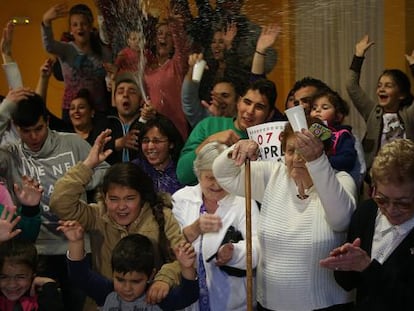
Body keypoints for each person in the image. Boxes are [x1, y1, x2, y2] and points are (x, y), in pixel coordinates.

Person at [212, 118, 357, 310]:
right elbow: (224, 174)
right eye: (290, 151)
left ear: (322, 152)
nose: (297, 158)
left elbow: (341, 220)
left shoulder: (342, 181)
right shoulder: (274, 175)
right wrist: (238, 149)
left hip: (327, 306)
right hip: (271, 305)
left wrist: (317, 163)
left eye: (305, 151)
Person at [49, 129, 185, 305]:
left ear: (142, 197)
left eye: (130, 199)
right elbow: (59, 202)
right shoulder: (97, 214)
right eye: (113, 199)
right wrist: (88, 165)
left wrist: (164, 278)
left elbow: (183, 258)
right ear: (104, 198)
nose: (121, 207)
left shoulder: (161, 216)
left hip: (149, 304)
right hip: (103, 302)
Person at [0, 93, 109, 310]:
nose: (33, 137)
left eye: (38, 129)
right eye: (25, 131)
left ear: (47, 121)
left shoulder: (72, 142)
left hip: (77, 244)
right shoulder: (10, 154)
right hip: (35, 249)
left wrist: (73, 183)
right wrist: (4, 111)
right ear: (15, 128)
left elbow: (104, 171)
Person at [320, 138, 414, 310]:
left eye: (403, 203)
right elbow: (349, 284)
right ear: (374, 189)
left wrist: (368, 267)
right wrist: (344, 264)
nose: (391, 210)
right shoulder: (367, 212)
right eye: (382, 199)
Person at [173, 141, 260, 310]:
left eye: (222, 178)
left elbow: (258, 248)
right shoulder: (181, 199)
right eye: (210, 178)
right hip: (190, 303)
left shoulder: (244, 201)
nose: (217, 185)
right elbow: (169, 244)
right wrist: (194, 229)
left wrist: (234, 253)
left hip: (235, 303)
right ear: (198, 174)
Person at [59, 220, 199, 309]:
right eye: (120, 279)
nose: (127, 288)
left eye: (135, 281)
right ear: (113, 273)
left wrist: (186, 267)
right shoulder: (107, 292)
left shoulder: (156, 297)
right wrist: (76, 242)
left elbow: (188, 296)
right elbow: (79, 276)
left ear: (151, 275)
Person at [177, 78, 276, 186]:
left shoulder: (273, 140)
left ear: (270, 114)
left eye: (259, 107)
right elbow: (182, 175)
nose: (250, 111)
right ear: (238, 102)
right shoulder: (208, 125)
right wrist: (210, 141)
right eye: (247, 102)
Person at [346, 35, 414, 175]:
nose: (381, 89)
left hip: (406, 176)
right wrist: (358, 56)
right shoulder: (373, 112)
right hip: (375, 177)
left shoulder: (409, 114)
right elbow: (351, 86)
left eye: (388, 86)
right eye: (379, 86)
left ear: (401, 94)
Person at [41, 3, 111, 123]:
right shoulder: (67, 49)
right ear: (71, 30)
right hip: (72, 110)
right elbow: (49, 46)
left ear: (90, 26)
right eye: (75, 25)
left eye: (83, 24)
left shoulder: (101, 51)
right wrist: (46, 21)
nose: (80, 28)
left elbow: (112, 69)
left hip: (98, 110)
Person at [144, 12, 191, 140]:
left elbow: (182, 47)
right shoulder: (146, 69)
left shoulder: (176, 65)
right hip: (153, 129)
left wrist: (175, 27)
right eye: (160, 33)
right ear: (154, 40)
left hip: (175, 127)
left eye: (168, 35)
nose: (163, 37)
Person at [309, 89, 360, 186]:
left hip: (334, 181)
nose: (318, 110)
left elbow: (347, 160)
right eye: (314, 108)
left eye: (325, 107)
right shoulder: (308, 132)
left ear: (338, 116)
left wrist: (322, 160)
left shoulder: (342, 135)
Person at [105, 73, 156, 164]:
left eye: (132, 92)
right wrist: (117, 143)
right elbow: (92, 148)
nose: (125, 95)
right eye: (120, 92)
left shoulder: (152, 120)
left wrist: (150, 119)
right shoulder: (105, 122)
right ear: (114, 100)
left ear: (141, 101)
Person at [0, 237, 64, 311]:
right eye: (3, 277)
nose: (12, 284)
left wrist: (48, 284)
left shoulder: (40, 298)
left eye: (20, 277)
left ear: (33, 275)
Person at [131, 115, 184, 195]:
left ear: (171, 144)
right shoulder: (134, 169)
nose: (150, 147)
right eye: (145, 141)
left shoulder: (182, 170)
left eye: (157, 141)